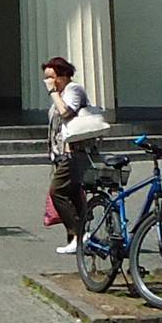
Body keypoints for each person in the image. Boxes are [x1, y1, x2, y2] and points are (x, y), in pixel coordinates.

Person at [42, 57, 104, 255]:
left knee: (57, 190)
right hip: (62, 153)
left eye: (51, 78)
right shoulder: (60, 93)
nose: (48, 83)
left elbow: (66, 113)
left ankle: (78, 234)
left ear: (64, 75)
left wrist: (53, 93)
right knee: (74, 194)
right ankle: (78, 239)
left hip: (75, 152)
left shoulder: (73, 90)